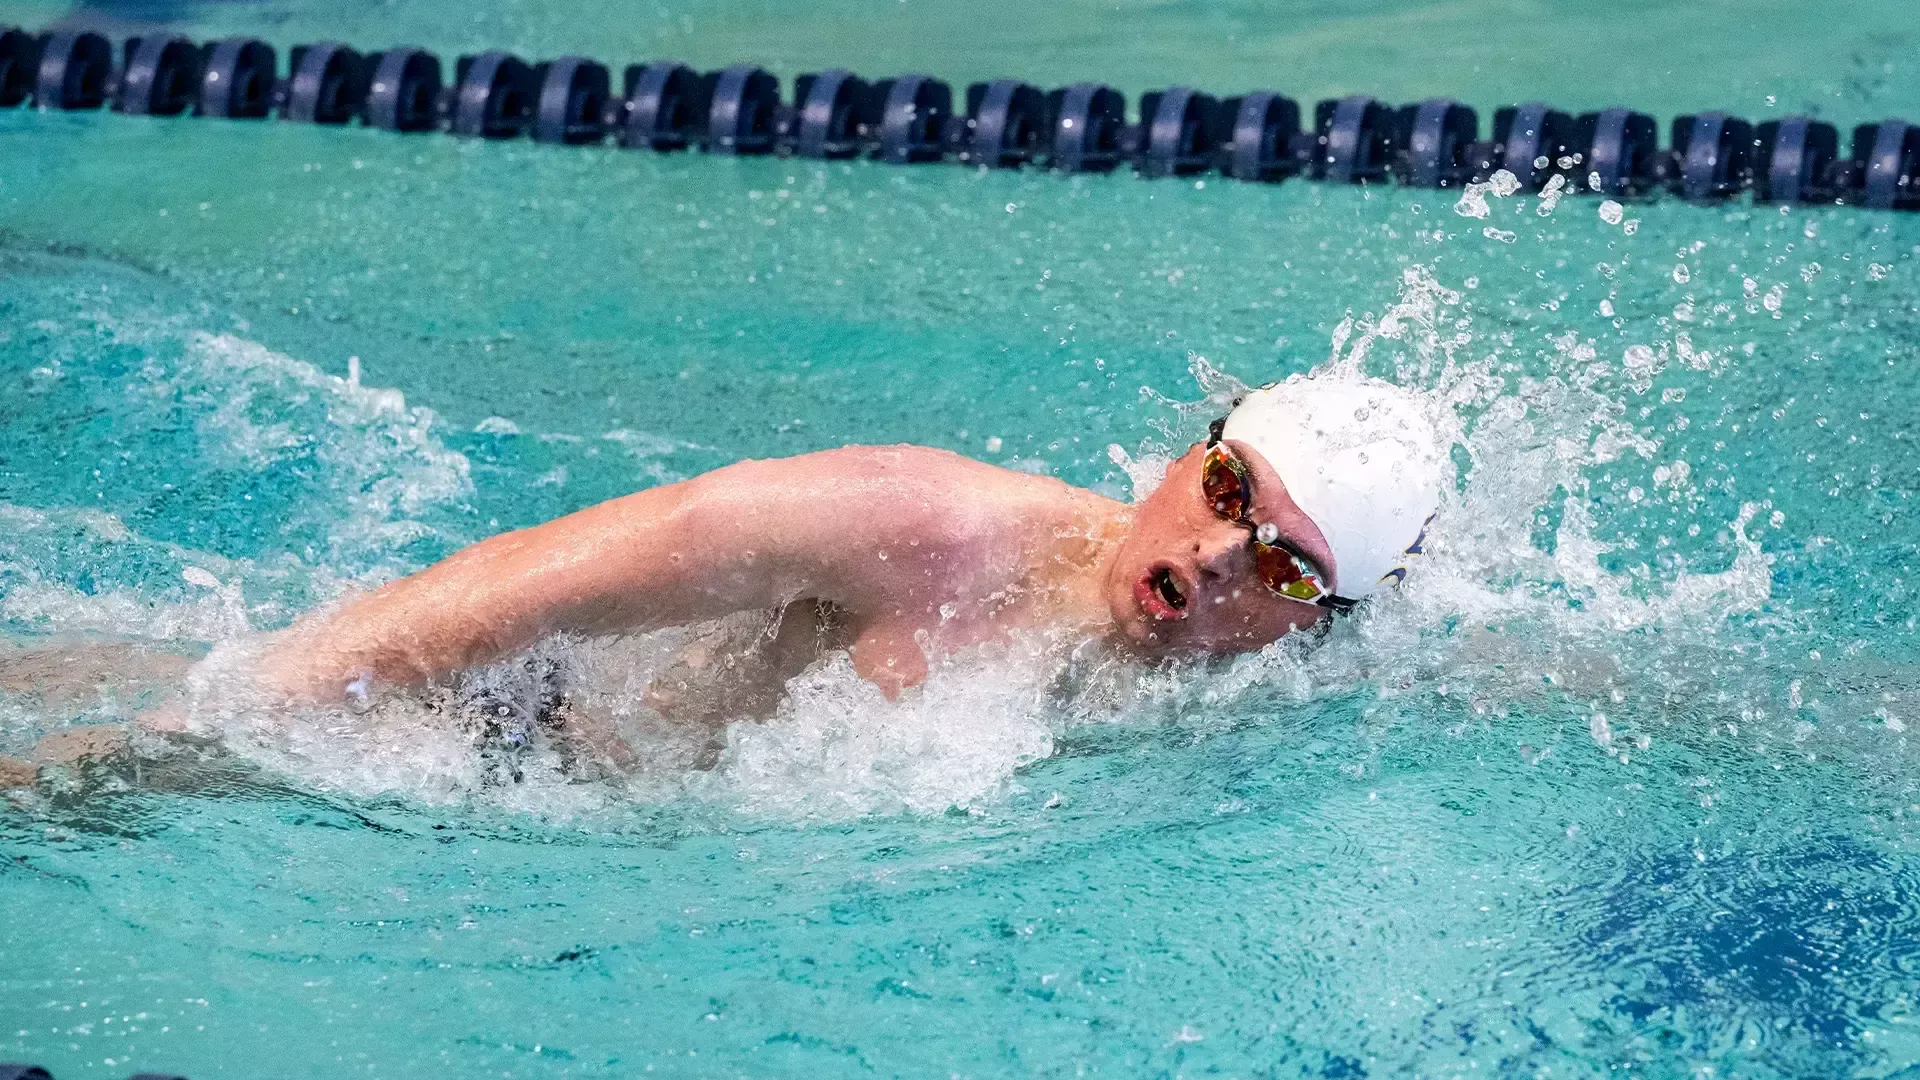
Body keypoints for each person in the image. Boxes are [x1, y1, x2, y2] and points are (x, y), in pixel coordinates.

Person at [2, 372, 1446, 782]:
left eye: (1281, 567)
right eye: (1225, 491)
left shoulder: (1281, 696)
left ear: (1317, 621)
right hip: (501, 732)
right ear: (1195, 445)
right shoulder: (927, 527)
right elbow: (529, 582)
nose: (1206, 559)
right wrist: (222, 720)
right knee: (112, 745)